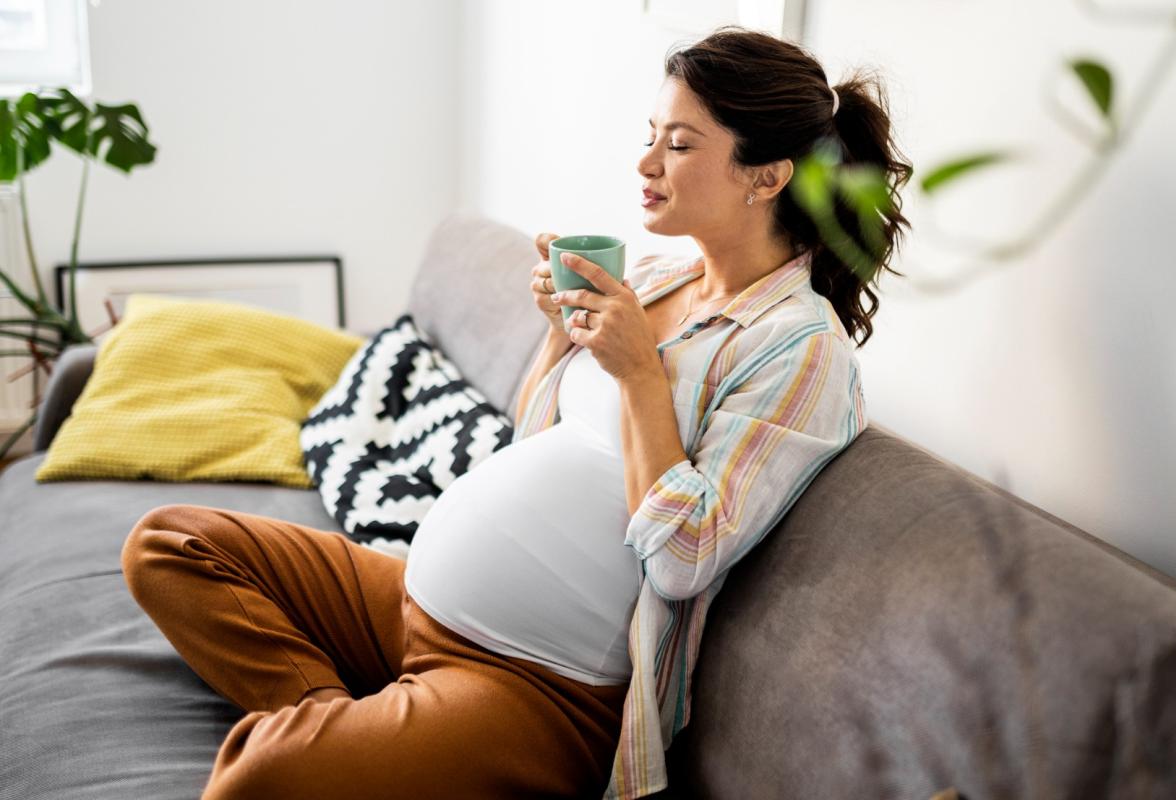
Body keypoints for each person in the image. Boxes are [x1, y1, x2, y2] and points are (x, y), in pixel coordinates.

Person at [120, 24, 911, 800]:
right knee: (168, 543)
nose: (645, 162)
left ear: (765, 177)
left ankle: (371, 741)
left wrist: (638, 374)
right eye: (651, 135)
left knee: (261, 776)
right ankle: (359, 727)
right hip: (412, 605)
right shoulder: (663, 280)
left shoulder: (801, 350)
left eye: (678, 143)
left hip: (535, 684)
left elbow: (687, 556)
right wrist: (557, 340)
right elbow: (533, 440)